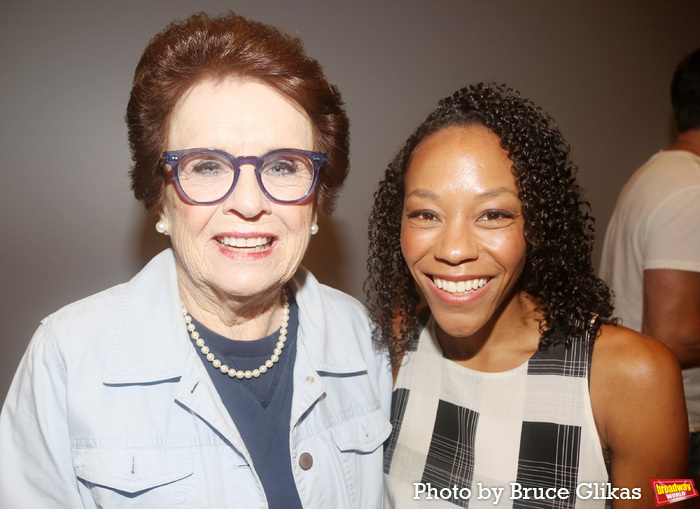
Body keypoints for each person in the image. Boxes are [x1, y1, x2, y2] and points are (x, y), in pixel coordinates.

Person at [0, 12, 391, 508]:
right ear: (161, 200)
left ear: (316, 202)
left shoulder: (361, 339)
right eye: (207, 166)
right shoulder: (66, 361)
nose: (249, 203)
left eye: (283, 166)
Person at [366, 82, 687, 508]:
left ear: (538, 226)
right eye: (426, 214)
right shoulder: (393, 343)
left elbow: (676, 495)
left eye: (493, 214)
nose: (453, 249)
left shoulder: (635, 376)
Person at [600, 47, 700, 484]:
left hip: (646, 414)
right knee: (673, 500)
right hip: (688, 428)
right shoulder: (690, 191)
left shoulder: (656, 175)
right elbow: (672, 337)